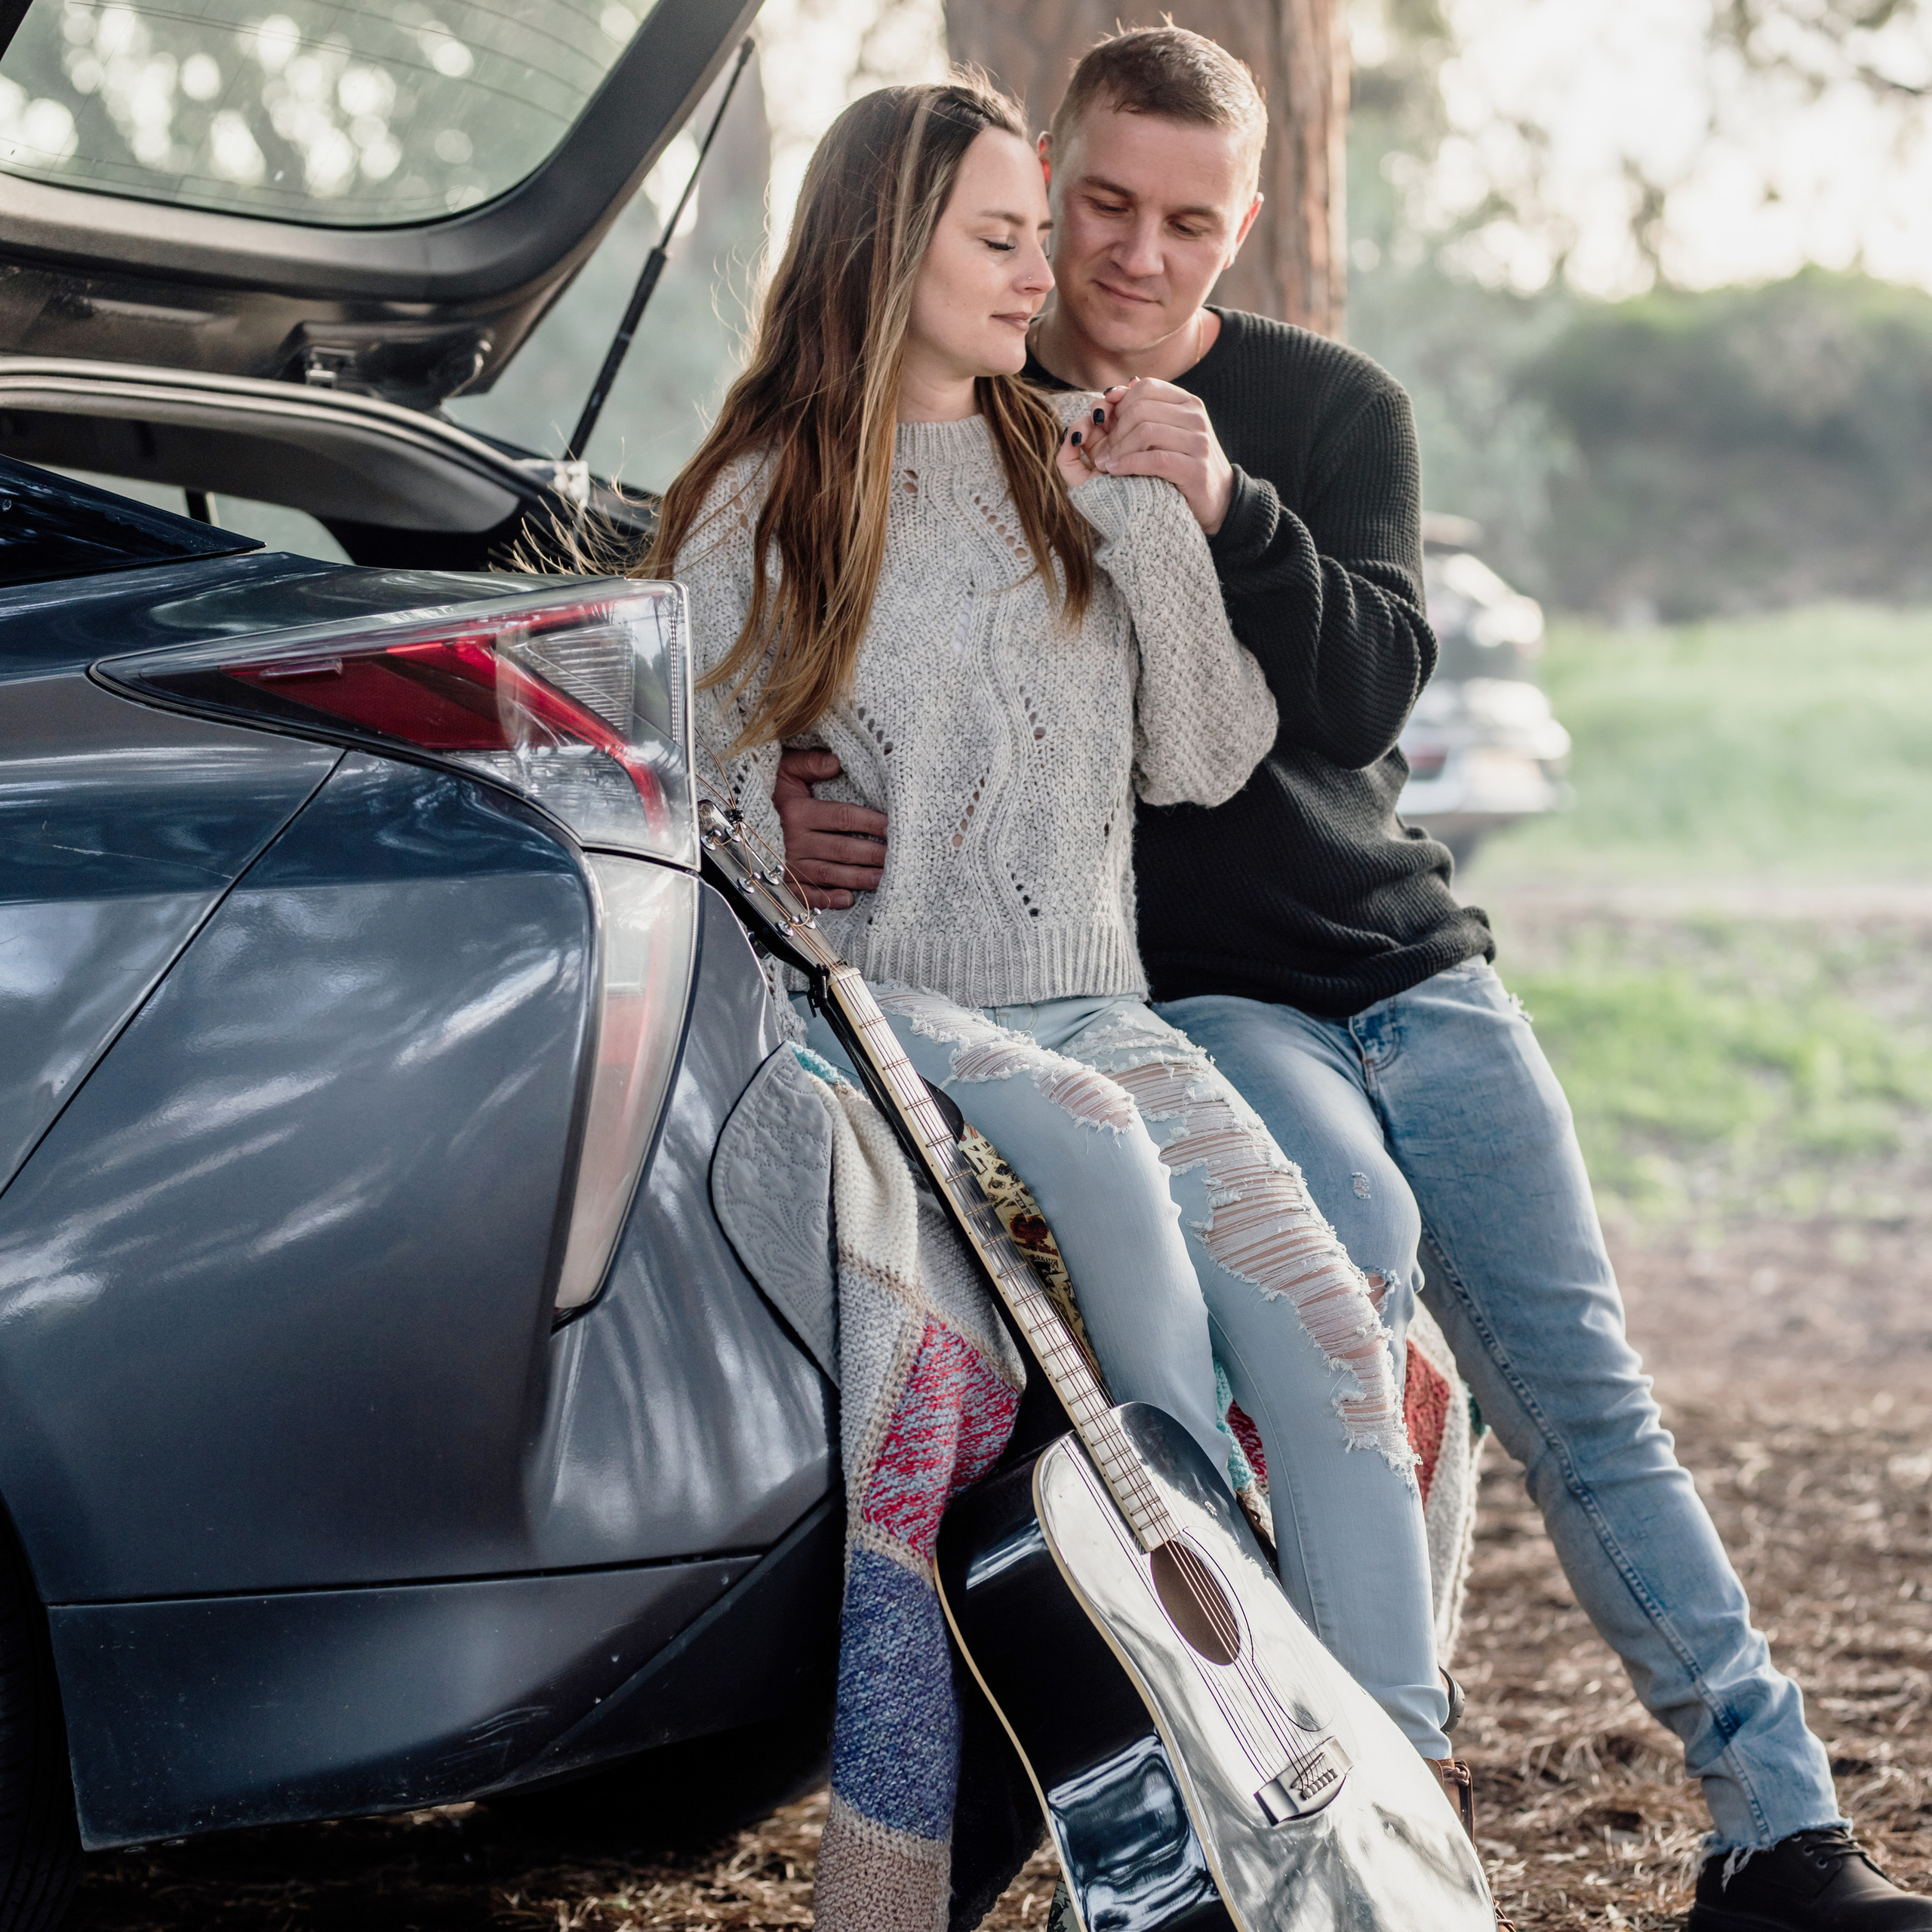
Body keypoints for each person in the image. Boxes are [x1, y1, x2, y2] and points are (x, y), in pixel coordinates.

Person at [772, 28, 1932, 1932]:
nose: (1135, 259)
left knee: (1584, 1385)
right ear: (1040, 193)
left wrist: (1229, 509)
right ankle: (1318, 1800)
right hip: (1200, 1000)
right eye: (1096, 212)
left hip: (1410, 961)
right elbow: (824, 607)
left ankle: (1774, 1827)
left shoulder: (1323, 408)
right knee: (1350, 1275)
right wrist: (798, 775)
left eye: (1188, 226)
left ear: (1243, 227)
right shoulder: (980, 418)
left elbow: (1366, 697)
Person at [652, 75, 1469, 1793]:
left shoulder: (1070, 461)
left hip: (1100, 1005)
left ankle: (1386, 1810)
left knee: (1328, 1323)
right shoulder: (762, 497)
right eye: (1004, 238)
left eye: (1042, 236)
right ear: (889, 249)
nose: (1045, 276)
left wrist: (1164, 519)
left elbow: (1204, 752)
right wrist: (770, 809)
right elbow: (695, 816)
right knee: (1096, 1141)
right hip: (887, 1007)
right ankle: (1214, 1669)